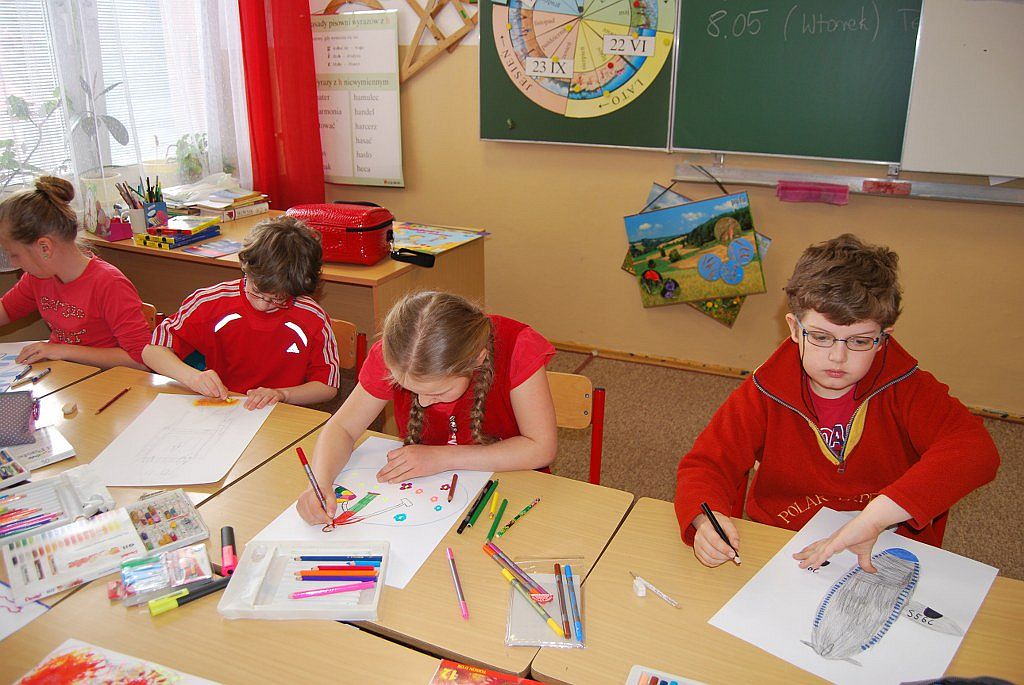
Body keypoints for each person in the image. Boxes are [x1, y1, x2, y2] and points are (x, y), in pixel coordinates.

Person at [675, 234, 999, 572]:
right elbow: (707, 465)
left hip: (887, 541)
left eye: (859, 341)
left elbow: (976, 450)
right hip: (786, 541)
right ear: (794, 329)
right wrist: (705, 520)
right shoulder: (764, 391)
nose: (837, 357)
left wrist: (876, 517)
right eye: (820, 337)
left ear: (882, 339)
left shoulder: (907, 387)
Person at [297, 291, 557, 526]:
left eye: (437, 392)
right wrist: (320, 481)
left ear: (478, 358)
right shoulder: (399, 354)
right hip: (431, 495)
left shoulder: (517, 346)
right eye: (409, 388)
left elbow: (541, 448)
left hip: (511, 492)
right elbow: (342, 427)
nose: (421, 402)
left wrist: (442, 458)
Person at [143, 215, 339, 410]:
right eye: (256, 292)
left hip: (281, 411)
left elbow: (327, 386)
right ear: (246, 269)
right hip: (223, 407)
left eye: (278, 299)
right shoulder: (211, 303)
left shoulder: (313, 318)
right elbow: (152, 351)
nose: (262, 305)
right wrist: (193, 377)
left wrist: (283, 394)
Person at [0, 176, 150, 370]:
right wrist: (59, 351)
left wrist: (63, 350)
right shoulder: (37, 278)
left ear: (45, 247)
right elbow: (6, 310)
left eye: (15, 255)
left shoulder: (109, 283)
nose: (14, 263)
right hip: (67, 375)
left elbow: (141, 360)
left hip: (109, 380)